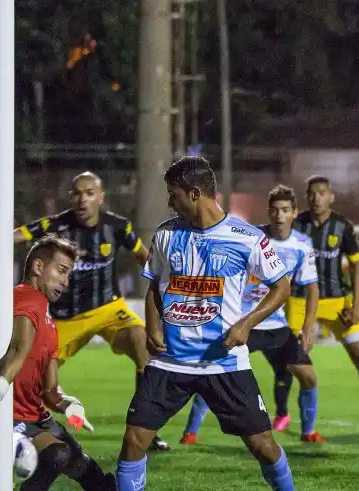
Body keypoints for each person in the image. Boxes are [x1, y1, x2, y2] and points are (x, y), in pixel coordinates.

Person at [115, 156, 295, 491]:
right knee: (134, 441)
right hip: (170, 362)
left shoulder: (246, 237)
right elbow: (154, 284)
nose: (170, 202)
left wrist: (246, 323)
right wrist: (152, 327)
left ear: (194, 193)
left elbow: (282, 287)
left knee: (263, 447)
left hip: (223, 362)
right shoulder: (166, 234)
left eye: (174, 194)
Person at [13, 172, 169, 451]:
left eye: (88, 193)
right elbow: (21, 234)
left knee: (144, 347)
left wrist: (169, 282)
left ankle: (145, 428)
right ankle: (25, 429)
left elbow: (142, 256)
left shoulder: (118, 226)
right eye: (76, 193)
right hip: (66, 317)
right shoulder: (58, 225)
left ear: (100, 197)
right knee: (32, 376)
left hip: (109, 308)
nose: (82, 199)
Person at [180, 184, 327, 444]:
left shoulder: (302, 246)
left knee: (309, 376)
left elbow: (312, 287)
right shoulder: (250, 237)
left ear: (294, 213)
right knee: (212, 372)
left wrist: (308, 326)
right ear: (269, 213)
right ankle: (191, 432)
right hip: (244, 323)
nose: (279, 216)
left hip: (277, 327)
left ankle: (308, 432)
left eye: (285, 210)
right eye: (275, 210)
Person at [0, 235, 115, 490]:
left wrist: (69, 405)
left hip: (36, 414)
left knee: (85, 467)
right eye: (62, 271)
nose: (66, 282)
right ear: (37, 267)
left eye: (69, 275)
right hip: (8, 415)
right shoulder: (25, 298)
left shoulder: (50, 323)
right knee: (57, 455)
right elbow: (17, 349)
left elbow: (50, 390)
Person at [279, 175, 359, 432]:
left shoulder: (343, 227)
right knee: (288, 356)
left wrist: (356, 305)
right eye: (311, 193)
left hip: (336, 301)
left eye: (321, 193)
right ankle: (281, 415)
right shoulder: (297, 225)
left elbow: (356, 266)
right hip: (300, 299)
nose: (316, 198)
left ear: (331, 196)